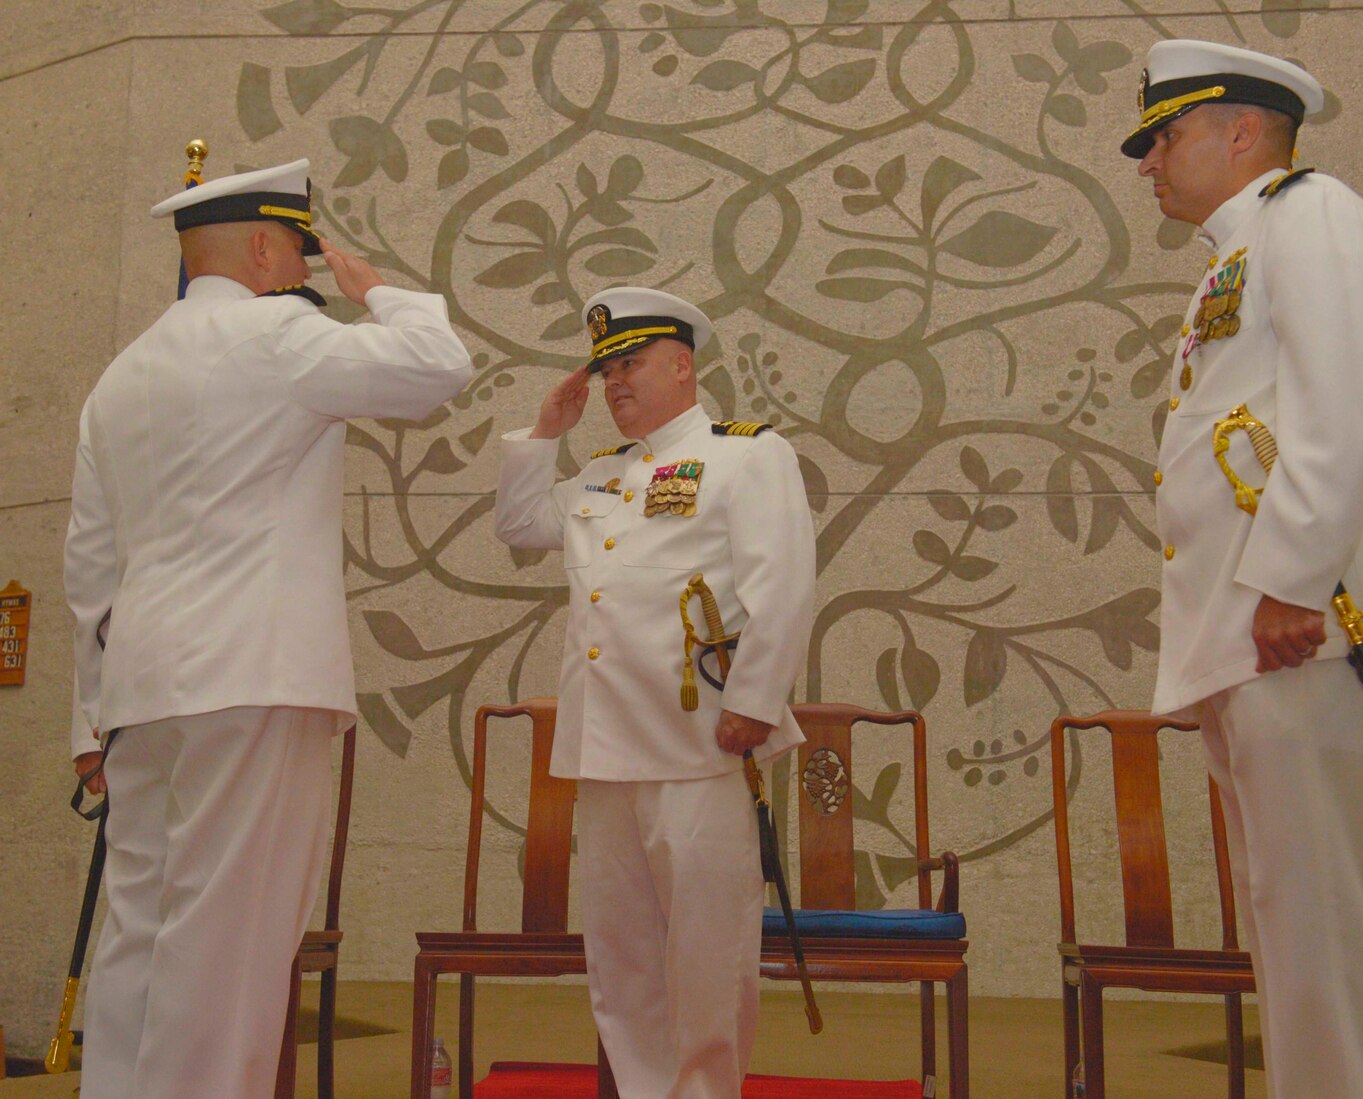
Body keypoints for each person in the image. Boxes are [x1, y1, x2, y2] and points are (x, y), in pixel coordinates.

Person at [64, 157, 471, 1098]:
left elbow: (90, 570)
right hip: (253, 680)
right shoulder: (276, 333)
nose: (306, 268)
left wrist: (89, 723)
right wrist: (381, 294)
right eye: (300, 247)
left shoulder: (119, 378)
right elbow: (437, 367)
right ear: (260, 245)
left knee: (139, 940)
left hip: (142, 693)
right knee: (230, 949)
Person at [1125, 40, 1363, 1098]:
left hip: (1299, 625)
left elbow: (1342, 405)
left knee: (1316, 918)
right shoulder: (1237, 252)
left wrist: (1290, 585)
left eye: (1161, 136)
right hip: (1257, 628)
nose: (1147, 163)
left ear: (1239, 130)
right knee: (1289, 919)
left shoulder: (1309, 214)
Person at [493, 287, 815, 1096]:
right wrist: (546, 433)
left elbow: (783, 588)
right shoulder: (602, 474)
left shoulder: (745, 454)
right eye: (604, 372)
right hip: (606, 750)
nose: (613, 384)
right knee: (623, 957)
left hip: (701, 743)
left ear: (683, 365)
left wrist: (755, 698)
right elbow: (521, 527)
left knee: (708, 954)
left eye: (629, 364)